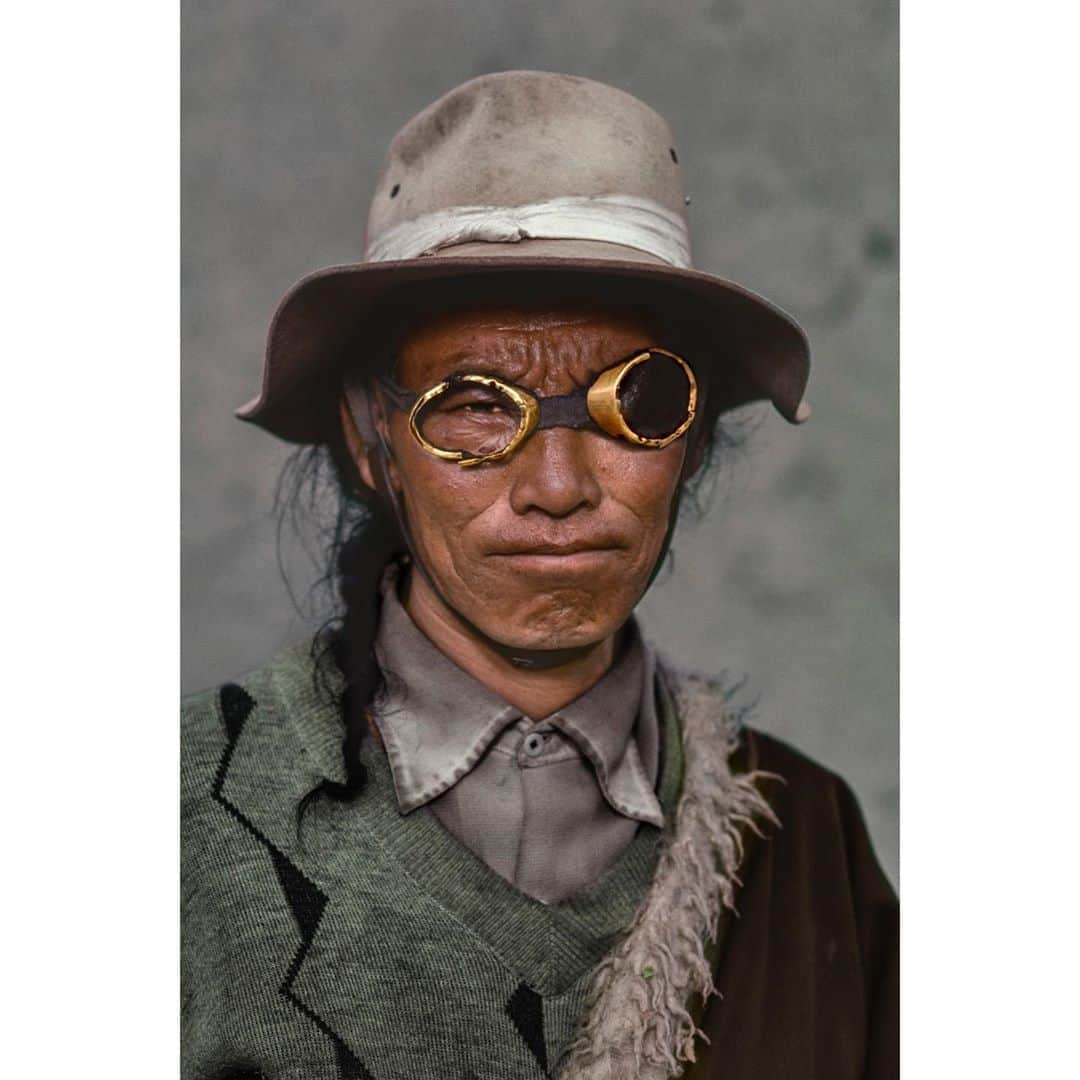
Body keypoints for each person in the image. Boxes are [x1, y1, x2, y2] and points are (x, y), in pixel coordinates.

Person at [181, 71, 898, 1080]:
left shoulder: (808, 846)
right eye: (475, 405)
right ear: (368, 434)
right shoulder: (177, 825)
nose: (558, 486)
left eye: (635, 400)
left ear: (689, 443)